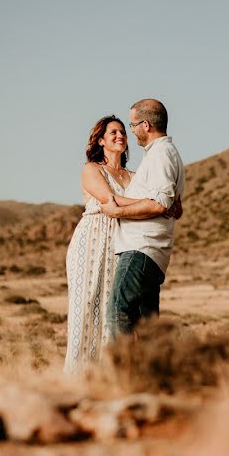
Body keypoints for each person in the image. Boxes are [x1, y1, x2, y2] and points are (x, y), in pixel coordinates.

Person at [100, 98, 185, 337]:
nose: (132, 131)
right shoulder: (162, 154)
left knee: (118, 311)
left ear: (145, 125)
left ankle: (125, 372)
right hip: (150, 250)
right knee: (147, 325)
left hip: (142, 248)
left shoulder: (161, 154)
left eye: (133, 124)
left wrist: (118, 211)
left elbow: (159, 204)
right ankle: (153, 371)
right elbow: (167, 204)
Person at [64, 116, 134, 374]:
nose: (120, 136)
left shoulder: (134, 176)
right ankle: (77, 378)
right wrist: (149, 203)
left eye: (123, 132)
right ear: (101, 140)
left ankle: (107, 376)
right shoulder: (92, 169)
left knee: (112, 309)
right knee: (86, 307)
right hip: (92, 240)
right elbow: (109, 198)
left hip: (123, 241)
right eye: (113, 132)